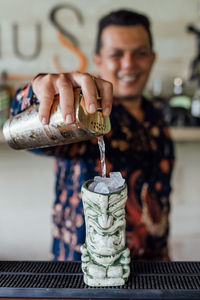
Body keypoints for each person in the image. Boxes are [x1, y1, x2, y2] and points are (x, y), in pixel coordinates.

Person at [11, 9, 174, 261]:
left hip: (150, 272)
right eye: (116, 54)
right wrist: (38, 91)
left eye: (139, 53)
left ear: (152, 59)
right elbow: (28, 135)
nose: (129, 63)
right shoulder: (85, 116)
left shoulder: (157, 116)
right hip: (83, 275)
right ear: (98, 59)